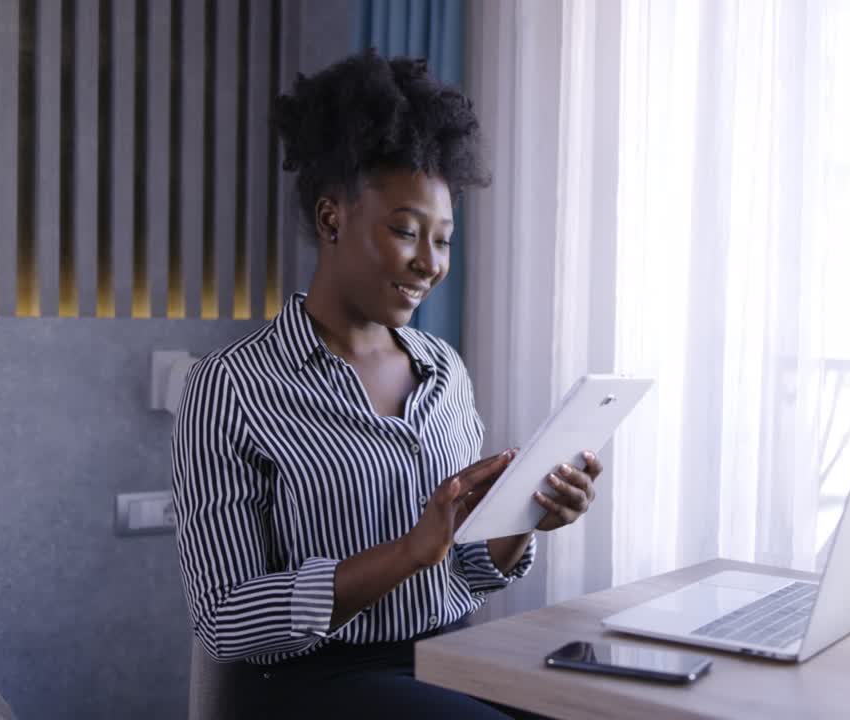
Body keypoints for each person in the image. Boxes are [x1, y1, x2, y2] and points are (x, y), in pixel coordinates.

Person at [171, 49, 601, 719]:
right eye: (405, 231)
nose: (429, 263)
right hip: (313, 688)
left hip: (449, 663)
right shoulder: (231, 388)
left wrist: (521, 521)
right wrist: (406, 553)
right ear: (331, 217)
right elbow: (227, 618)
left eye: (445, 239)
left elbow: (470, 571)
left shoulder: (445, 372)